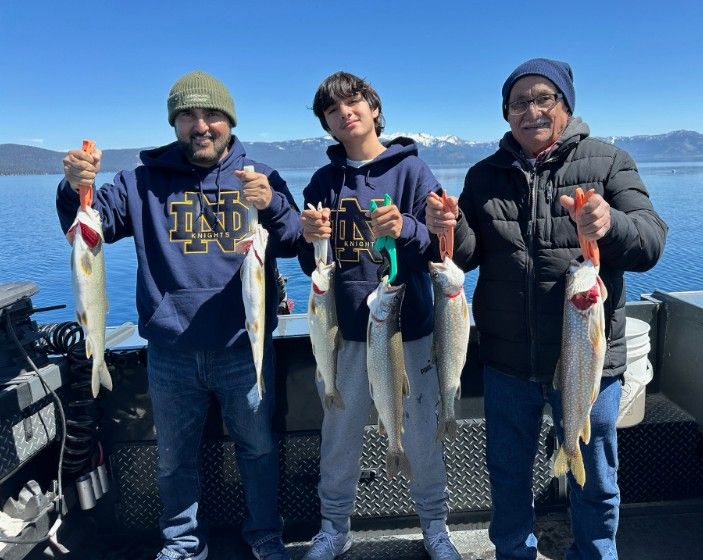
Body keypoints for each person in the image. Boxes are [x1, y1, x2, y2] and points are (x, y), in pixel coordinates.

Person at [426, 58, 667, 559]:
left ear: (565, 104)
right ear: (506, 113)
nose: (531, 111)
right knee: (507, 474)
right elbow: (467, 255)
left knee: (596, 476)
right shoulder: (484, 175)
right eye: (519, 102)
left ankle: (595, 554)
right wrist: (445, 226)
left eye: (544, 99)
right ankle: (513, 552)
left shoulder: (608, 163)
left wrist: (611, 223)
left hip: (590, 363)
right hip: (507, 361)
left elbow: (649, 243)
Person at [56, 70, 301, 560]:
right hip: (169, 353)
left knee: (258, 449)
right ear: (174, 123)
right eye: (188, 115)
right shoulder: (139, 181)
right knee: (173, 461)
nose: (201, 125)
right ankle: (182, 544)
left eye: (212, 114)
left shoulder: (260, 176)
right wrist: (72, 187)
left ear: (229, 121)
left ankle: (266, 536)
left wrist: (271, 203)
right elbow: (89, 228)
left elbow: (295, 240)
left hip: (243, 347)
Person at [298, 71, 461, 560]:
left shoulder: (413, 173)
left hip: (409, 333)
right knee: (339, 436)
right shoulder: (324, 182)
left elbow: (440, 247)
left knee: (421, 432)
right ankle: (334, 527)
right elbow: (315, 267)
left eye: (353, 102)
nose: (345, 113)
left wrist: (407, 226)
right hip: (345, 335)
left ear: (372, 108)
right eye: (332, 110)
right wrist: (311, 238)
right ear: (327, 125)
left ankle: (435, 524)